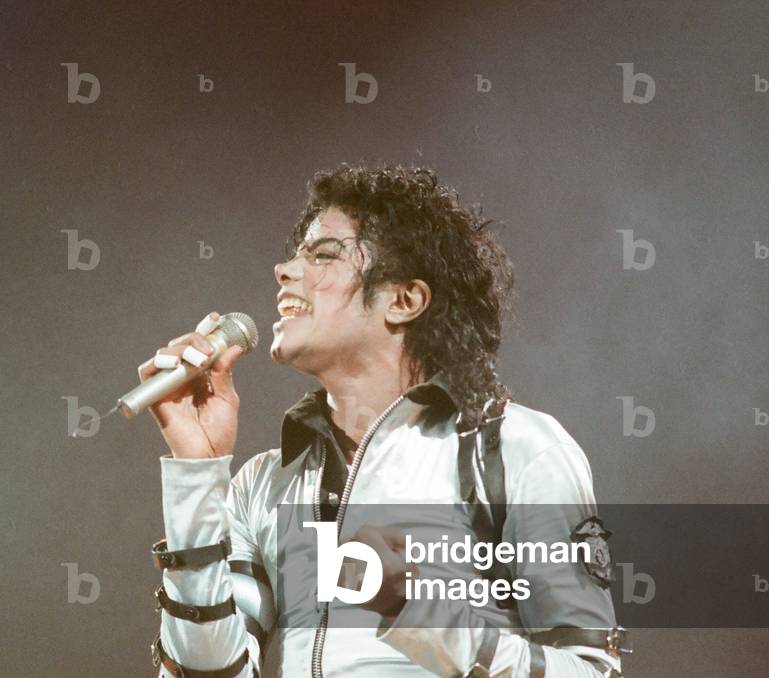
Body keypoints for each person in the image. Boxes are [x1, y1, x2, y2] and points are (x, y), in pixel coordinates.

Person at [141, 164, 627, 677]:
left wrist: (415, 609)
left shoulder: (514, 451)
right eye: (295, 255)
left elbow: (591, 671)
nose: (284, 270)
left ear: (404, 300)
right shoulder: (262, 485)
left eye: (324, 255)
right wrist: (197, 471)